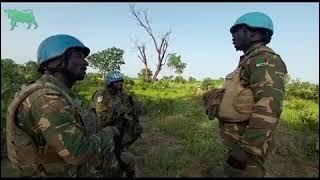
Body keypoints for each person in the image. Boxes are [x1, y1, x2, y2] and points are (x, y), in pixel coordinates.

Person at [6, 34, 125, 177]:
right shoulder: (47, 98)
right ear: (58, 61)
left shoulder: (59, 92)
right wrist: (110, 132)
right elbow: (78, 153)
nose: (85, 63)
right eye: (79, 56)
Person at [203, 12, 287, 177]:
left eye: (237, 31)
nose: (232, 36)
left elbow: (269, 105)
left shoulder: (265, 60)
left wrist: (248, 148)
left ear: (254, 33)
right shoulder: (250, 60)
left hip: (245, 142)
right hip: (236, 137)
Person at [91, 71, 143, 173]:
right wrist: (119, 112)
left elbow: (131, 106)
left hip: (116, 123)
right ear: (110, 83)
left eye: (121, 81)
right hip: (102, 127)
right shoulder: (101, 94)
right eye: (117, 82)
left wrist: (134, 106)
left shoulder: (120, 93)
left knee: (136, 128)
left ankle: (121, 147)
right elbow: (100, 117)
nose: (120, 84)